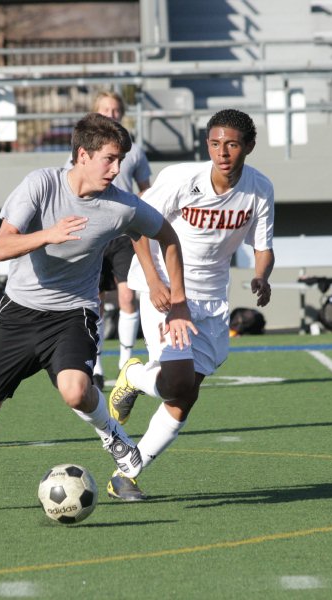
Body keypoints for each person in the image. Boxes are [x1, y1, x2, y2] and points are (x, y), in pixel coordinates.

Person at [0, 112, 195, 517]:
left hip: (73, 313)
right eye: (109, 159)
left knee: (75, 390)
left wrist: (174, 298)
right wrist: (49, 234)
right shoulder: (41, 184)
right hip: (19, 312)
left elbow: (166, 235)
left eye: (121, 160)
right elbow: (1, 248)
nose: (116, 169)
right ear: (82, 155)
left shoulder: (123, 205)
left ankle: (113, 436)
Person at [107, 109, 274, 501]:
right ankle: (133, 377)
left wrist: (262, 277)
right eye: (215, 143)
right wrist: (152, 280)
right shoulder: (182, 179)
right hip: (165, 287)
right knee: (178, 381)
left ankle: (125, 475)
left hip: (213, 297)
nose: (223, 152)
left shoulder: (259, 189)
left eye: (232, 144)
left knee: (185, 394)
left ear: (248, 146)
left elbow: (263, 247)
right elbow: (138, 226)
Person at [65, 90, 152, 388]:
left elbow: (145, 190)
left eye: (115, 110)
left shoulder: (135, 152)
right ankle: (97, 362)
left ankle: (125, 361)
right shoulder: (84, 152)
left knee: (128, 296)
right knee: (95, 300)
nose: (111, 114)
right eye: (105, 109)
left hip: (123, 232)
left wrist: (137, 213)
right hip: (95, 231)